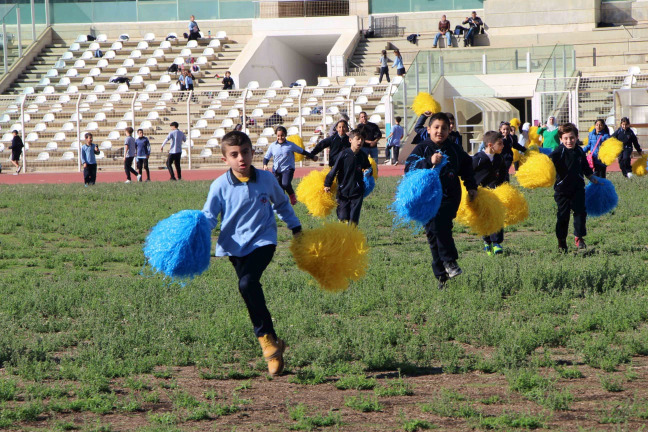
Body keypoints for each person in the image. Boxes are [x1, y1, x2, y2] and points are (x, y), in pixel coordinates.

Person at [201, 130, 302, 376]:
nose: (241, 158)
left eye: (245, 152)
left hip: (264, 241)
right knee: (249, 289)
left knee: (247, 284)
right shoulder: (219, 186)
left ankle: (267, 345)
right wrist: (195, 236)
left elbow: (281, 203)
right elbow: (208, 217)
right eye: (234, 154)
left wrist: (295, 227)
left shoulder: (267, 180)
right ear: (225, 159)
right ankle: (273, 341)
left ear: (252, 152)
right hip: (234, 247)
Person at [405, 112, 478, 289]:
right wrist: (429, 161)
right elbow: (409, 168)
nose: (440, 131)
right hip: (427, 201)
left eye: (444, 128)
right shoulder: (422, 148)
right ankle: (442, 276)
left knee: (440, 225)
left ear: (449, 129)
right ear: (428, 129)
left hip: (449, 198)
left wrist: (471, 186)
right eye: (436, 127)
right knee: (433, 236)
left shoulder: (454, 148)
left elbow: (467, 166)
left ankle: (450, 261)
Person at [550, 123, 598, 253]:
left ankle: (579, 237)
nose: (569, 141)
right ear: (560, 139)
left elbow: (585, 168)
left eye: (571, 138)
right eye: (565, 138)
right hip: (562, 192)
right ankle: (561, 241)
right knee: (563, 217)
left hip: (578, 189)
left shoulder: (579, 151)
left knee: (580, 213)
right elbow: (547, 163)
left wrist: (592, 177)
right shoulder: (558, 152)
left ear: (576, 137)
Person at [324, 128, 372, 225]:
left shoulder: (363, 155)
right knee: (342, 217)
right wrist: (327, 184)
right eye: (357, 139)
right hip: (343, 191)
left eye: (362, 140)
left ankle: (352, 237)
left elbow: (368, 167)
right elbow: (334, 170)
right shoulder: (343, 154)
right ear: (350, 140)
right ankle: (342, 236)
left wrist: (368, 171)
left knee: (354, 219)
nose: (360, 141)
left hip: (357, 191)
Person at [473, 131, 508, 255]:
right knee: (485, 219)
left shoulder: (499, 158)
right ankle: (487, 241)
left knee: (496, 217)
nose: (502, 146)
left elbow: (504, 173)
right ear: (490, 145)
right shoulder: (477, 159)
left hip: (495, 193)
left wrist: (503, 187)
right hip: (480, 195)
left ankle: (496, 242)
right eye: (500, 143)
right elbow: (468, 175)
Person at [263, 126, 317, 205]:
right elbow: (266, 157)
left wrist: (312, 156)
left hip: (288, 169)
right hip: (276, 170)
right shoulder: (272, 146)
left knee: (285, 184)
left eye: (282, 135)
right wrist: (265, 165)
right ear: (276, 135)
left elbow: (302, 151)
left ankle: (292, 195)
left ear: (285, 135)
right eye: (278, 136)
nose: (280, 137)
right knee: (279, 189)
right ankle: (282, 204)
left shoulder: (290, 145)